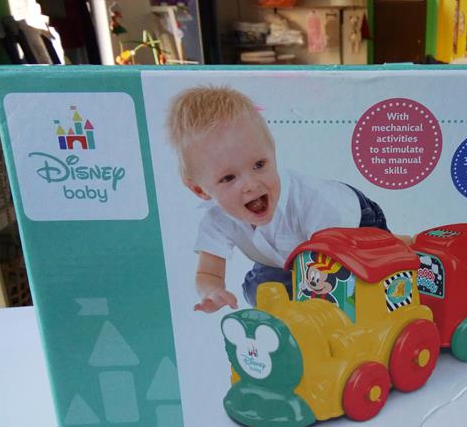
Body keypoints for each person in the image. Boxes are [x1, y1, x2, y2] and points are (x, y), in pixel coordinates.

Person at [167, 85, 389, 312]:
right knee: (258, 291)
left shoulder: (313, 201)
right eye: (228, 178)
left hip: (352, 228)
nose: (251, 185)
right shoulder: (217, 220)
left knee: (347, 291)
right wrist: (211, 292)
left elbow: (330, 266)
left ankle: (395, 243)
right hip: (290, 257)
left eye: (259, 165)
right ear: (200, 190)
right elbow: (208, 273)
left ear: (272, 152)